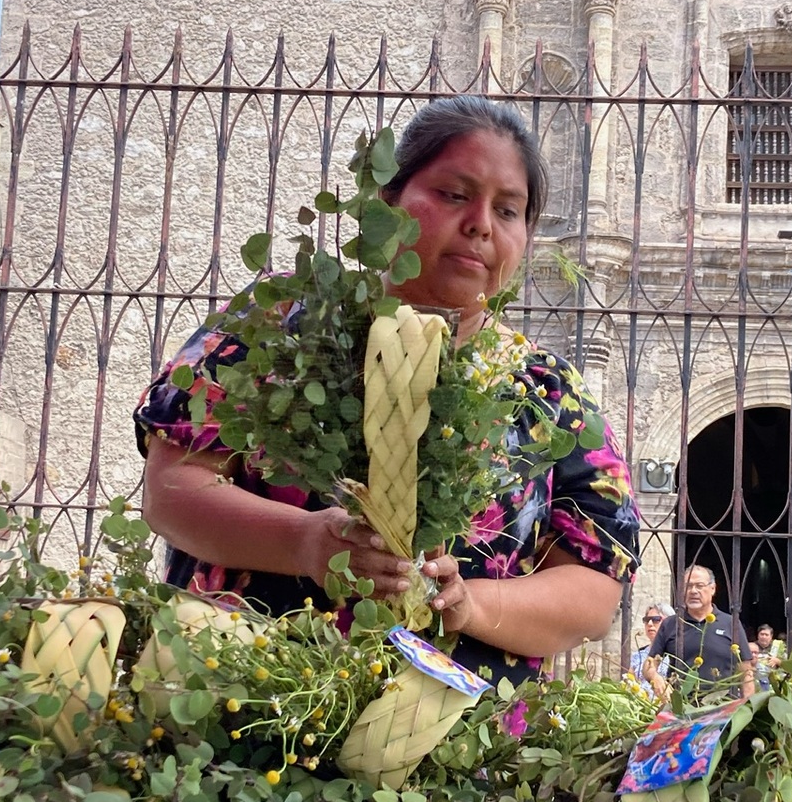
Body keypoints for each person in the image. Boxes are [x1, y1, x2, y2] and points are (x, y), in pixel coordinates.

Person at [134, 95, 641, 684]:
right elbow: (172, 492)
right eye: (454, 194)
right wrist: (306, 545)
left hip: (457, 747)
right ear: (389, 200)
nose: (480, 223)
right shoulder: (280, 328)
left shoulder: (547, 395)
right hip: (244, 708)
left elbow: (594, 592)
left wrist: (469, 604)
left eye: (508, 211)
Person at [646, 565, 756, 705]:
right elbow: (649, 664)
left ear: (713, 589)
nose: (693, 591)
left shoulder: (730, 623)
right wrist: (655, 677)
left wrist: (749, 708)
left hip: (722, 709)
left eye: (699, 586)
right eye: (688, 586)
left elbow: (746, 673)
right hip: (682, 710)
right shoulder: (670, 624)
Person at [629, 604, 674, 704]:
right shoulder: (638, 655)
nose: (649, 624)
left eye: (656, 619)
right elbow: (628, 682)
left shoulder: (676, 652)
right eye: (646, 620)